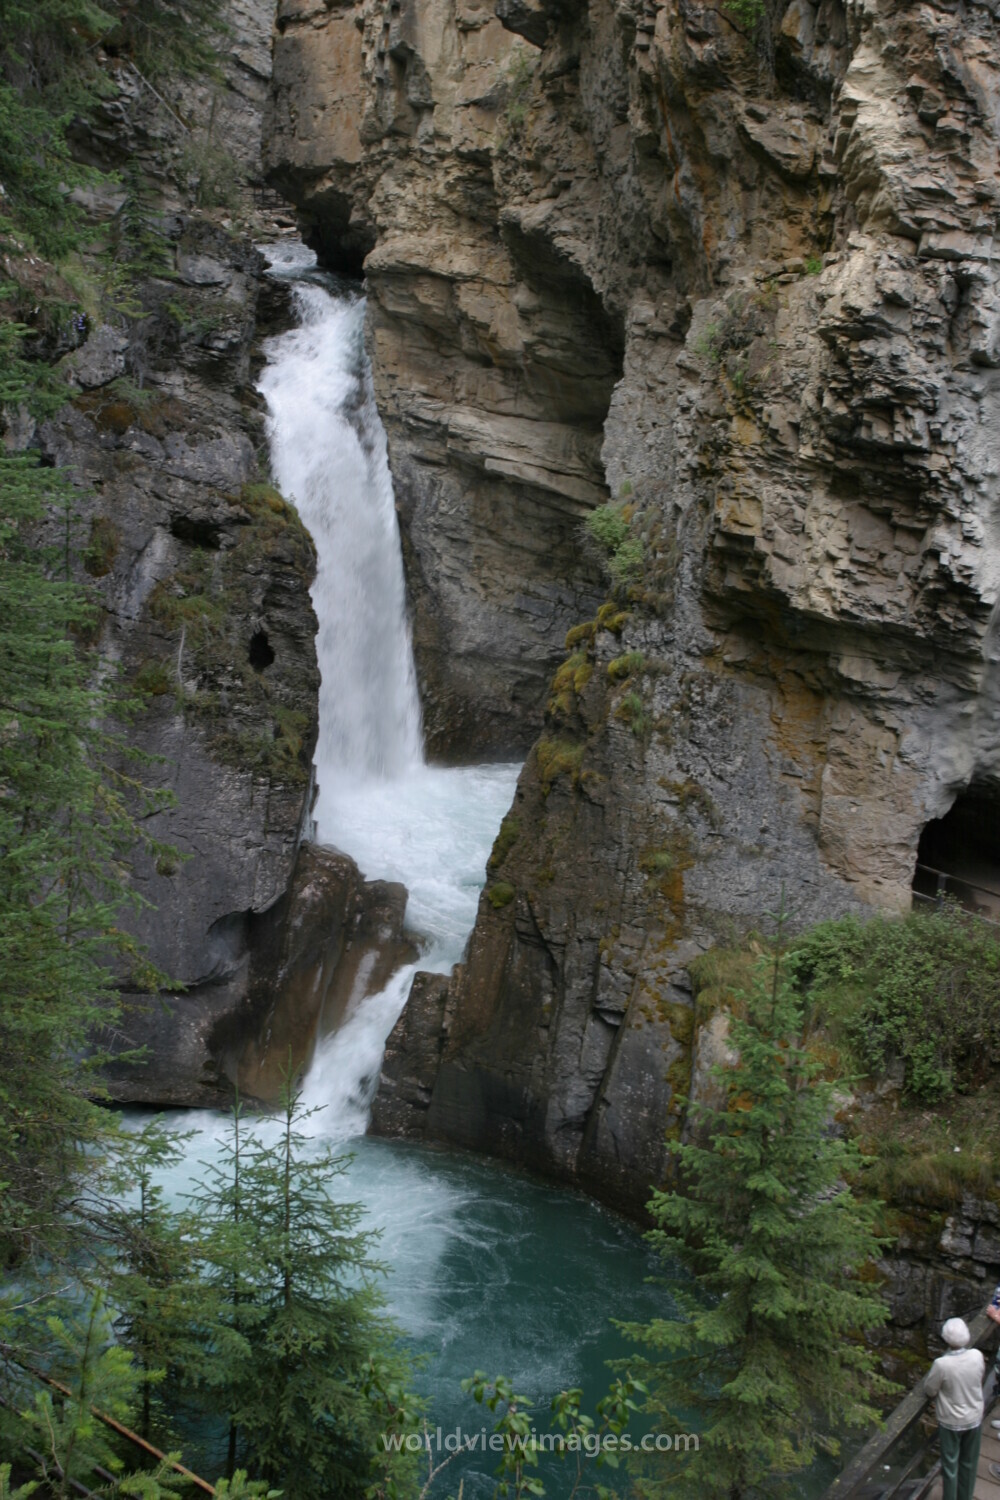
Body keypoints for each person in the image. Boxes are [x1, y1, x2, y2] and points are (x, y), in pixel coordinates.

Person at [924, 1317, 985, 1500]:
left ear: (947, 1339)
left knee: (950, 1466)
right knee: (969, 1463)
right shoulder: (977, 1355)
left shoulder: (942, 1364)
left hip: (951, 1421)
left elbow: (929, 1389)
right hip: (974, 1418)